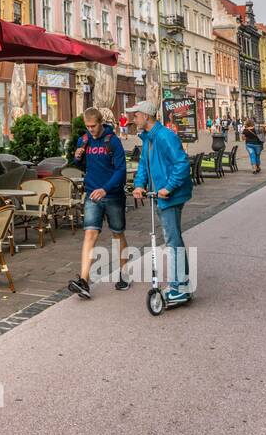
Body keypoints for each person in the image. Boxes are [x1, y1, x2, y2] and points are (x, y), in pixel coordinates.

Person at [128, 100, 194, 304]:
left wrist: (169, 187)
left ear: (146, 116)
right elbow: (143, 167)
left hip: (170, 196)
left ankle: (179, 288)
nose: (133, 118)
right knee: (173, 239)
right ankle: (181, 285)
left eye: (136, 115)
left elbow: (182, 163)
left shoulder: (165, 136)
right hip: (161, 195)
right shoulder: (148, 139)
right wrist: (139, 185)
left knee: (172, 240)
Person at [67, 107, 130, 299]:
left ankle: (125, 274)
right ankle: (84, 281)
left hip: (113, 195)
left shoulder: (113, 141)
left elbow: (121, 170)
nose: (91, 130)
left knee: (118, 234)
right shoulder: (84, 140)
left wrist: (106, 188)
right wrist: (77, 157)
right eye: (87, 127)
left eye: (93, 126)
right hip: (92, 194)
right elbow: (80, 165)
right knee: (90, 234)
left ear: (101, 122)